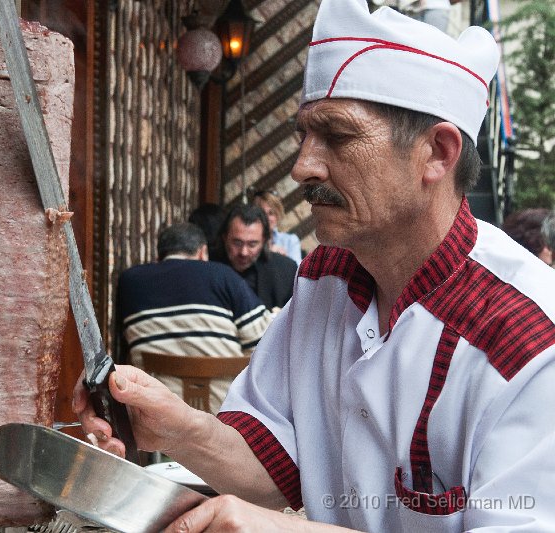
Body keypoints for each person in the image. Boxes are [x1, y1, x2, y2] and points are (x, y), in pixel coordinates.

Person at [76, 0, 555, 530]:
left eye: (339, 136)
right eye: (302, 136)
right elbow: (277, 464)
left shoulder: (532, 339)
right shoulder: (326, 275)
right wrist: (175, 428)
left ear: (437, 154)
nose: (302, 166)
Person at [115, 222, 272, 414]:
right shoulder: (223, 276)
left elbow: (125, 350)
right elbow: (264, 347)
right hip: (226, 417)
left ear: (159, 257)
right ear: (202, 252)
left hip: (155, 414)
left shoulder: (130, 282)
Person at [210, 203, 298, 311]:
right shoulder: (207, 265)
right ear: (225, 237)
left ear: (264, 241)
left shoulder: (285, 271)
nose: (244, 252)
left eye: (252, 244)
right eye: (237, 243)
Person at [251, 188, 303, 264]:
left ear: (278, 215)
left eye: (271, 213)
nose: (266, 217)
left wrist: (282, 259)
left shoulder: (290, 241)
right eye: (262, 213)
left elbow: (298, 272)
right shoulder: (248, 240)